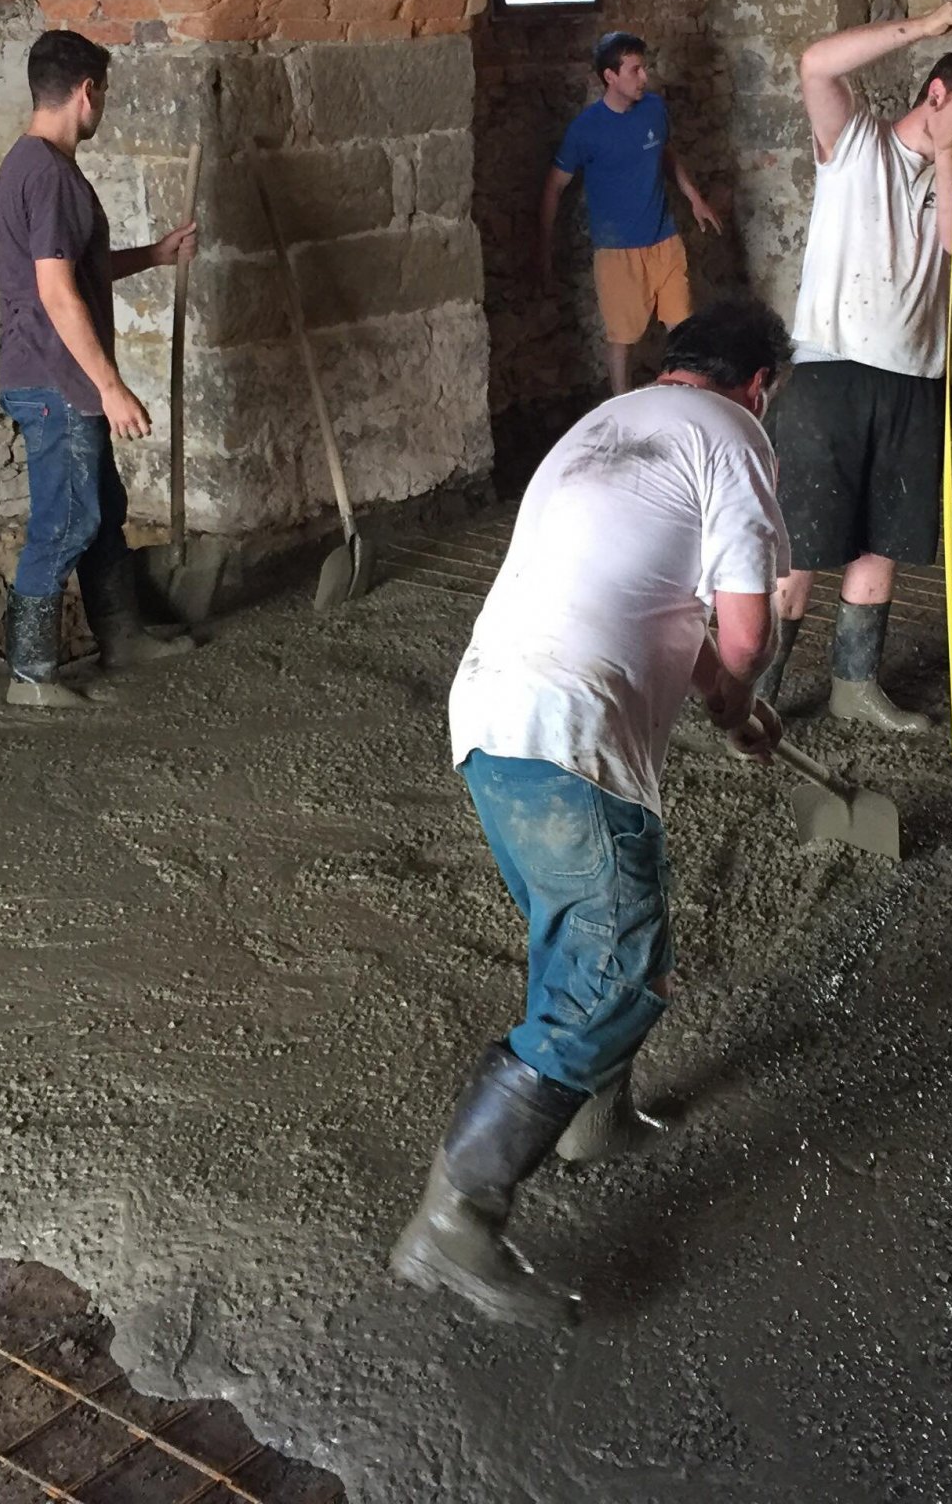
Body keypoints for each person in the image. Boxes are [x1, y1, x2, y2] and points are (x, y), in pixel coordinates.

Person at [392, 297, 793, 1326]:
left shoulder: (604, 424)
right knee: (615, 969)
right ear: (759, 385)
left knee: (578, 929)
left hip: (491, 712)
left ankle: (592, 1120)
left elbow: (661, 602)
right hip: (569, 727)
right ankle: (454, 1223)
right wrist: (738, 704)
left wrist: (725, 707)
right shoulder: (734, 434)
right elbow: (744, 633)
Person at [754, 0, 952, 733]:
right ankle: (757, 692)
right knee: (802, 542)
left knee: (884, 540)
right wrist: (929, 24)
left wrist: (948, 151)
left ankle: (855, 684)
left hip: (914, 381)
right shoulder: (856, 143)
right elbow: (815, 63)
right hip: (829, 371)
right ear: (939, 91)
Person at [0, 30, 197, 706]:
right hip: (56, 382)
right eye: (102, 92)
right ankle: (30, 677)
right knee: (66, 522)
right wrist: (111, 388)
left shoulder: (30, 165)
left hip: (52, 377)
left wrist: (155, 255)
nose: (101, 105)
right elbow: (57, 294)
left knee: (102, 511)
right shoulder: (48, 173)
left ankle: (122, 637)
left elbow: (76, 270)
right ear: (86, 91)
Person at [537, 32, 723, 394]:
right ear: (610, 76)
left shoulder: (654, 109)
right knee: (622, 339)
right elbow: (554, 187)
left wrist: (694, 198)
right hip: (617, 251)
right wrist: (543, 249)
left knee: (684, 328)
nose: (644, 77)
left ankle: (689, 399)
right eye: (635, 70)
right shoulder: (585, 130)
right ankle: (619, 406)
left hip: (665, 240)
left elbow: (665, 153)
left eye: (644, 68)